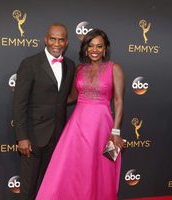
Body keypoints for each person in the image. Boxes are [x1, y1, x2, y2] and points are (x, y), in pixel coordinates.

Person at [35, 28, 125, 200]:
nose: (94, 50)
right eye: (91, 46)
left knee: (101, 168)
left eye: (99, 46)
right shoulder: (79, 69)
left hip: (102, 125)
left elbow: (119, 101)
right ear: (85, 48)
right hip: (77, 125)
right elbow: (70, 98)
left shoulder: (115, 69)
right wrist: (45, 100)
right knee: (73, 167)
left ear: (105, 48)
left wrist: (116, 131)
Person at [13, 23, 75, 200]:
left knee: (52, 186)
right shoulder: (30, 64)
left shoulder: (70, 65)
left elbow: (65, 97)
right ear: (46, 39)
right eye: (53, 39)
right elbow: (19, 104)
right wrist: (22, 137)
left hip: (57, 137)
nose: (57, 43)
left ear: (67, 42)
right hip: (33, 136)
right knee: (28, 188)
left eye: (61, 39)